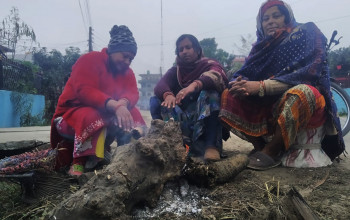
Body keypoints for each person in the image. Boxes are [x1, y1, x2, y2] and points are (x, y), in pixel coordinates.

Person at [220, 0, 345, 170]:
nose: (270, 21)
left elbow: (308, 73)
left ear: (287, 18)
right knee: (228, 95)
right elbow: (244, 73)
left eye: (276, 16)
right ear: (261, 24)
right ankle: (260, 148)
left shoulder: (307, 32)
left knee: (302, 92)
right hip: (269, 106)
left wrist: (261, 86)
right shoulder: (260, 48)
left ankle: (271, 151)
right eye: (265, 18)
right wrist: (239, 84)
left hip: (306, 103)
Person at [50, 25, 146, 177]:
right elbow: (85, 91)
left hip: (105, 113)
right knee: (93, 115)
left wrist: (123, 104)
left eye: (131, 58)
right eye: (125, 56)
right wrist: (115, 106)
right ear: (113, 50)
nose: (128, 61)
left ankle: (130, 156)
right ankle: (79, 162)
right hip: (69, 118)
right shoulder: (89, 60)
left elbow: (133, 92)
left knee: (133, 113)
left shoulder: (127, 72)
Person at [150, 34, 228, 161]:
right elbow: (161, 85)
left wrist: (194, 85)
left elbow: (216, 75)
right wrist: (168, 95)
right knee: (155, 101)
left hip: (204, 126)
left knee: (210, 93)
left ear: (197, 50)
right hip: (183, 126)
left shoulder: (209, 64)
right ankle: (169, 144)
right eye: (181, 49)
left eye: (188, 47)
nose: (184, 51)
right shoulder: (176, 71)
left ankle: (211, 146)